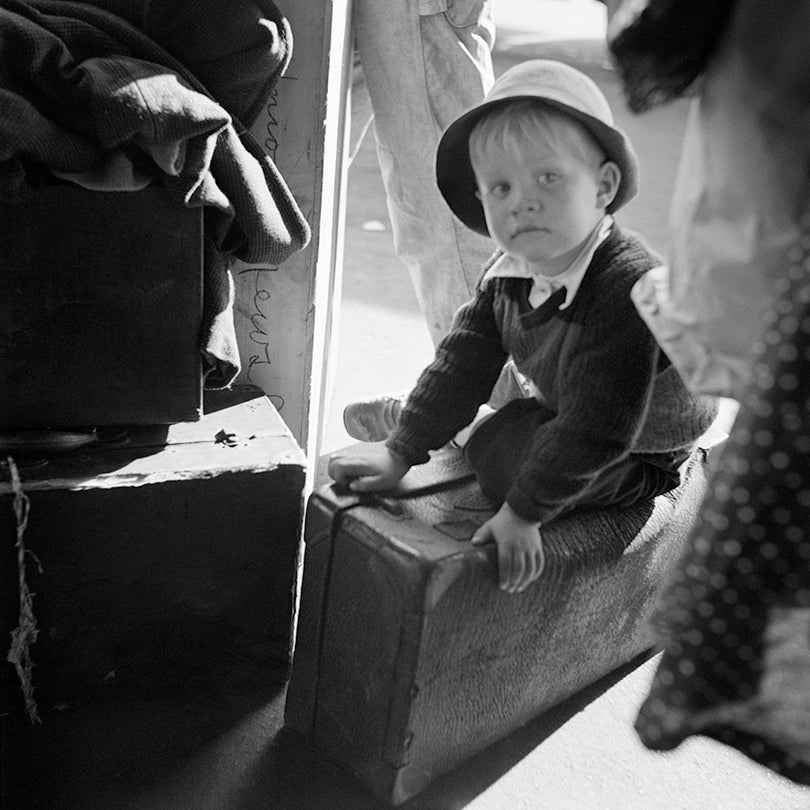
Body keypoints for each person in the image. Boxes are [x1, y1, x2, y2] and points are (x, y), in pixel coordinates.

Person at [329, 59, 719, 595]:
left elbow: (597, 428)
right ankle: (435, 419)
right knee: (484, 397)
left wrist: (522, 515)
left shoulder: (625, 287)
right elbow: (461, 360)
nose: (523, 201)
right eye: (500, 188)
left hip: (640, 443)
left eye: (548, 177)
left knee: (514, 472)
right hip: (562, 393)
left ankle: (472, 429)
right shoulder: (508, 269)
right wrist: (401, 450)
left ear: (604, 186)